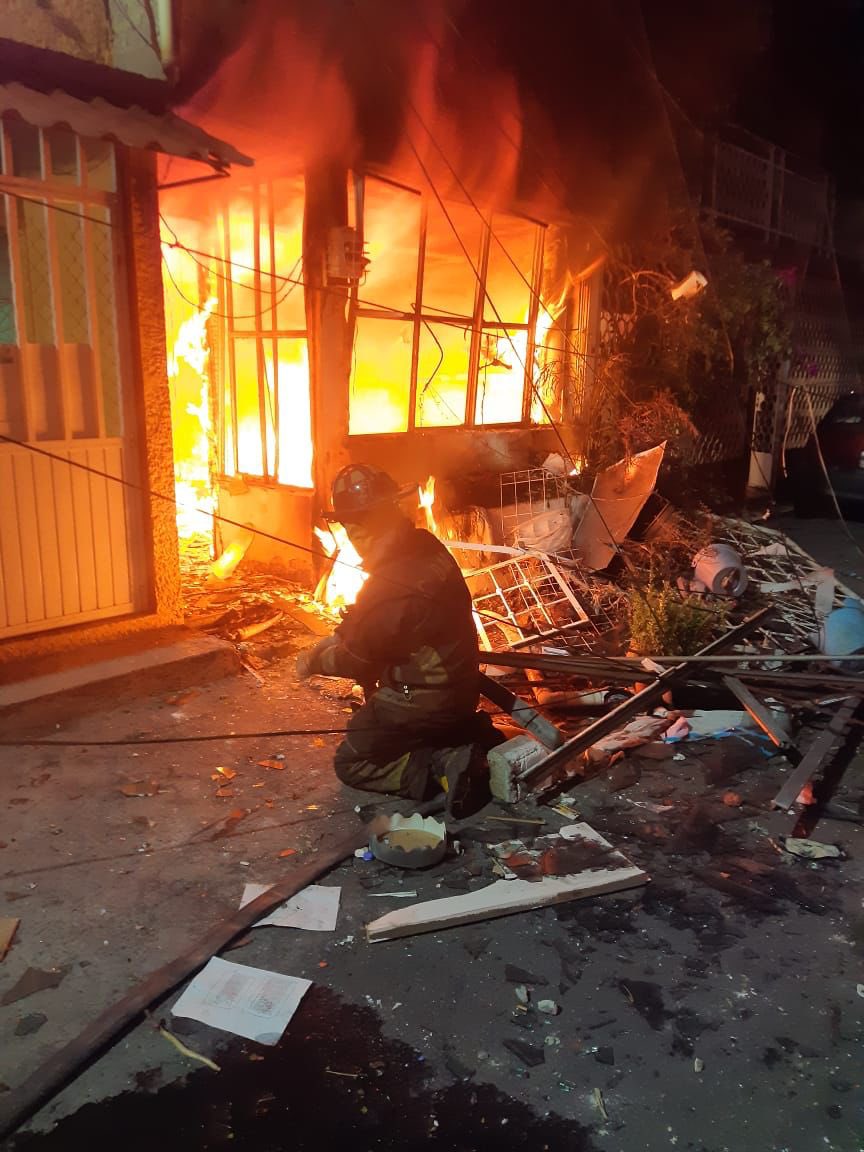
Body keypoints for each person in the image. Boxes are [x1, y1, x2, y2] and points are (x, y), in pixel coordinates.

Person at [296, 464, 501, 818]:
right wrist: (333, 638)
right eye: (348, 522)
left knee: (354, 760)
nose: (354, 532)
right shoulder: (425, 544)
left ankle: (443, 765)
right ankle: (467, 737)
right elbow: (368, 624)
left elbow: (357, 659)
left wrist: (314, 661)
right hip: (461, 686)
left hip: (423, 699)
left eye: (361, 520)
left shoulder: (389, 587)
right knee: (386, 721)